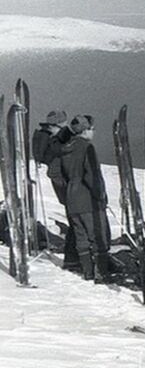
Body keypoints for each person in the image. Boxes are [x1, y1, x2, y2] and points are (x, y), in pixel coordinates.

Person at [60, 115, 111, 281]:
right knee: (98, 236)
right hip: (88, 200)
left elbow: (55, 173)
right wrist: (100, 196)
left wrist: (67, 189)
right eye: (92, 129)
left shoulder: (66, 147)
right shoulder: (87, 148)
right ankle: (101, 273)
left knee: (81, 237)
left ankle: (88, 272)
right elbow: (92, 175)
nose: (93, 132)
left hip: (72, 199)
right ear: (85, 130)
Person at [32, 110, 79, 270]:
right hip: (68, 186)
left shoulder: (49, 140)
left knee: (74, 220)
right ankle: (73, 259)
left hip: (64, 185)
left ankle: (73, 258)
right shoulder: (58, 142)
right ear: (60, 124)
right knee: (76, 221)